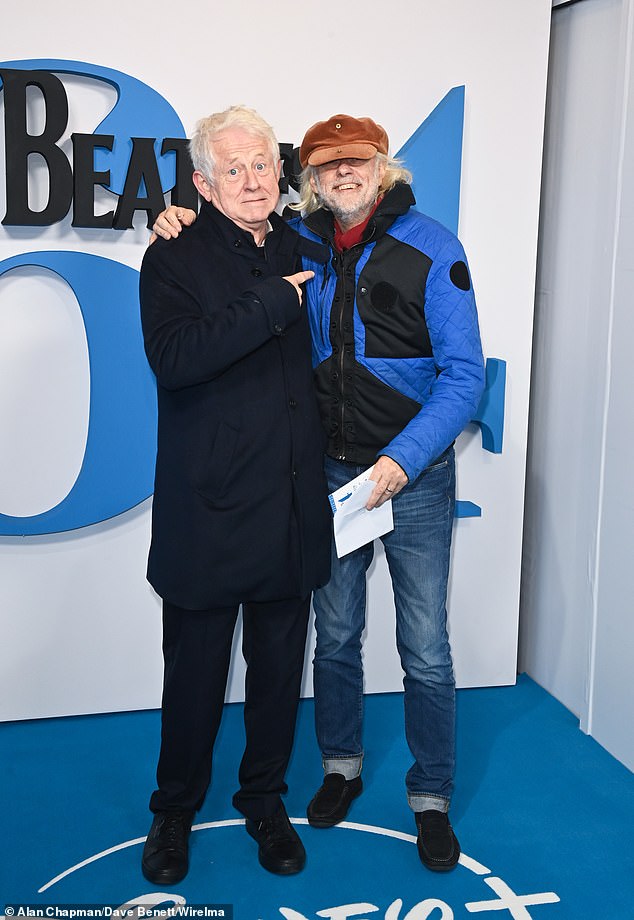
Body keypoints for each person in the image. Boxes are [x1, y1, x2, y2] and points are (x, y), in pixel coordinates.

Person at [152, 112, 485, 873]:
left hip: (388, 482)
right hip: (310, 485)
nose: (342, 174)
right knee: (312, 643)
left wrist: (403, 460)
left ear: (383, 166)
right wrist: (173, 215)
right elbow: (190, 329)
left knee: (417, 648)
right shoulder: (257, 245)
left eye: (358, 160)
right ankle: (306, 777)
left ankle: (412, 798)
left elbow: (464, 375)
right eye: (327, 164)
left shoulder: (407, 247)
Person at [138, 105, 331, 885]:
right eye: (234, 169)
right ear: (203, 182)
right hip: (207, 511)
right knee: (193, 677)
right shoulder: (173, 255)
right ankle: (173, 810)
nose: (252, 180)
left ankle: (264, 800)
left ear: (279, 172)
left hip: (290, 508)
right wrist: (272, 304)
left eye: (262, 165)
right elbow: (176, 358)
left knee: (280, 673)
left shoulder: (304, 244)